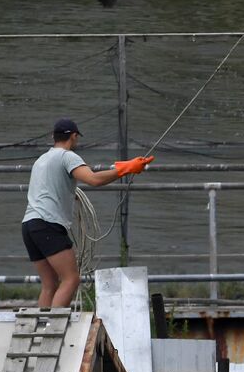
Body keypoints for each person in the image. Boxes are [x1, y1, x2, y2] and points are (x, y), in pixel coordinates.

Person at [22, 118, 154, 308]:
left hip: (29, 225)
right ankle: (53, 326)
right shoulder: (68, 157)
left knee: (49, 285)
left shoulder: (41, 160)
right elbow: (93, 179)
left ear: (54, 137)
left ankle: (41, 329)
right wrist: (125, 169)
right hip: (48, 224)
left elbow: (47, 190)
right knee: (71, 279)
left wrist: (69, 195)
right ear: (74, 136)